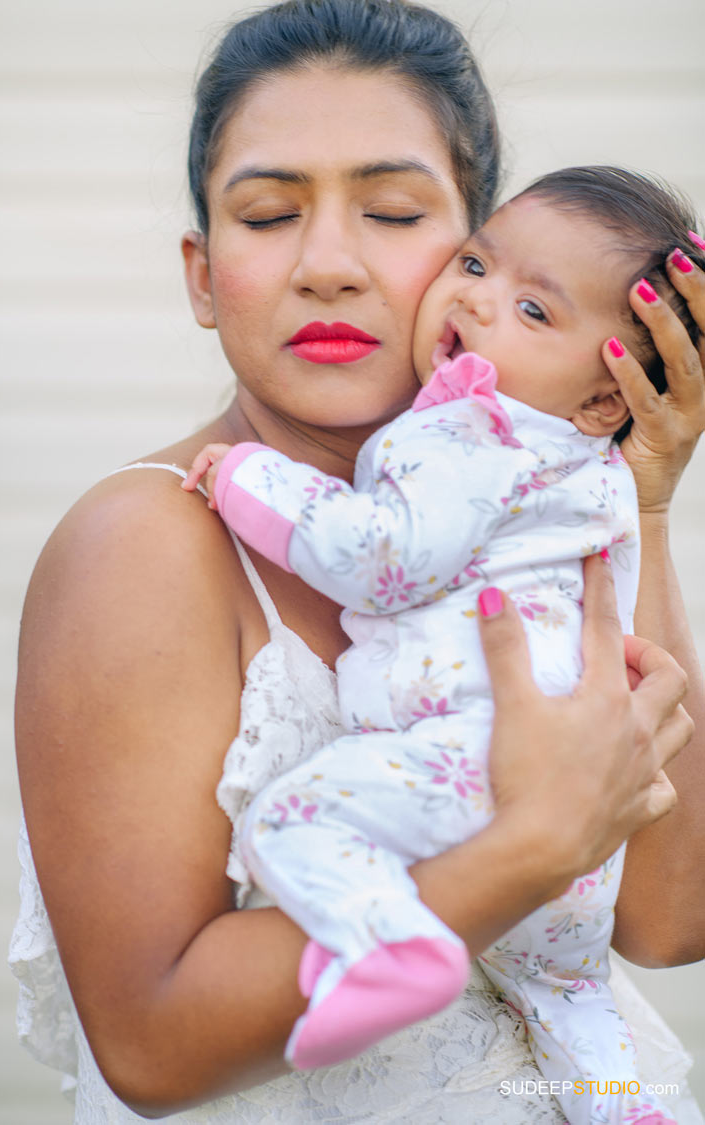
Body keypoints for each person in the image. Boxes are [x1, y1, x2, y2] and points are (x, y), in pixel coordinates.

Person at [8, 1, 705, 1122]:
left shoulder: (536, 514)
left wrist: (650, 500)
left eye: (392, 212)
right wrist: (523, 850)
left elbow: (668, 922)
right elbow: (148, 1042)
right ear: (201, 275)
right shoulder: (146, 540)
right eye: (269, 214)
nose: (329, 265)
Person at [183, 166, 703, 1124]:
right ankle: (628, 1106)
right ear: (198, 267)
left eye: (534, 310)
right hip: (578, 858)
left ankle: (387, 943)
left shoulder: (468, 432)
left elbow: (383, 554)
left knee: (293, 827)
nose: (475, 297)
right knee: (571, 999)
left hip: (473, 769)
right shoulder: (593, 476)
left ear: (605, 399)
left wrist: (250, 476)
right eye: (475, 264)